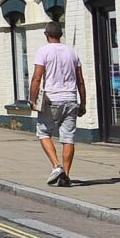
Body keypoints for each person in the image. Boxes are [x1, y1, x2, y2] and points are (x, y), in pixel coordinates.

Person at [26, 22, 87, 187]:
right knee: (68, 138)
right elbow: (80, 80)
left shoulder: (43, 51)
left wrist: (33, 100)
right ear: (61, 34)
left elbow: (37, 78)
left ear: (46, 35)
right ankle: (66, 176)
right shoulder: (72, 52)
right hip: (71, 98)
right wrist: (83, 103)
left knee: (43, 132)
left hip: (52, 98)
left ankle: (56, 166)